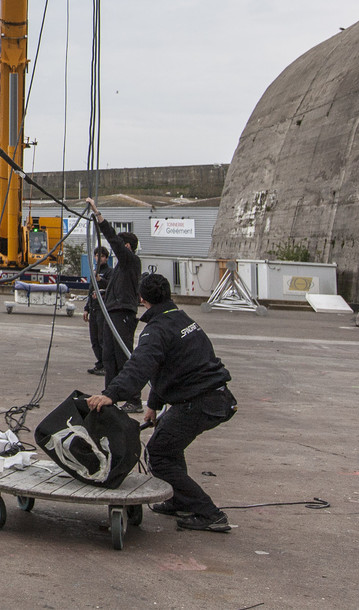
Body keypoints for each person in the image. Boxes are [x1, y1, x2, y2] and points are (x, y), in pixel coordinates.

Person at [88, 274, 236, 532]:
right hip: (214, 396)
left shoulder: (155, 330)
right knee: (169, 445)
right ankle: (178, 500)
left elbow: (140, 365)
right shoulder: (182, 319)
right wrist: (153, 405)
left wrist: (112, 394)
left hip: (199, 401)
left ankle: (209, 513)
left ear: (141, 299)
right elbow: (169, 366)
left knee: (158, 453)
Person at [84, 199, 143, 411]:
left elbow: (113, 240)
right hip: (111, 313)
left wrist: (99, 216)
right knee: (108, 356)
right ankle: (110, 395)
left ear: (127, 247)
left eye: (120, 245)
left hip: (122, 314)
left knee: (123, 356)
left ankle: (134, 399)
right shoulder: (120, 269)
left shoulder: (131, 262)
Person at [83, 246, 111, 375]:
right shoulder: (94, 272)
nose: (99, 258)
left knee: (102, 338)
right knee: (94, 339)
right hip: (93, 308)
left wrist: (101, 280)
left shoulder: (110, 272)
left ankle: (106, 365)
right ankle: (100, 363)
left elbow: (111, 287)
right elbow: (91, 291)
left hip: (102, 309)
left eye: (102, 256)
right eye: (97, 256)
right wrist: (86, 309)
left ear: (106, 258)